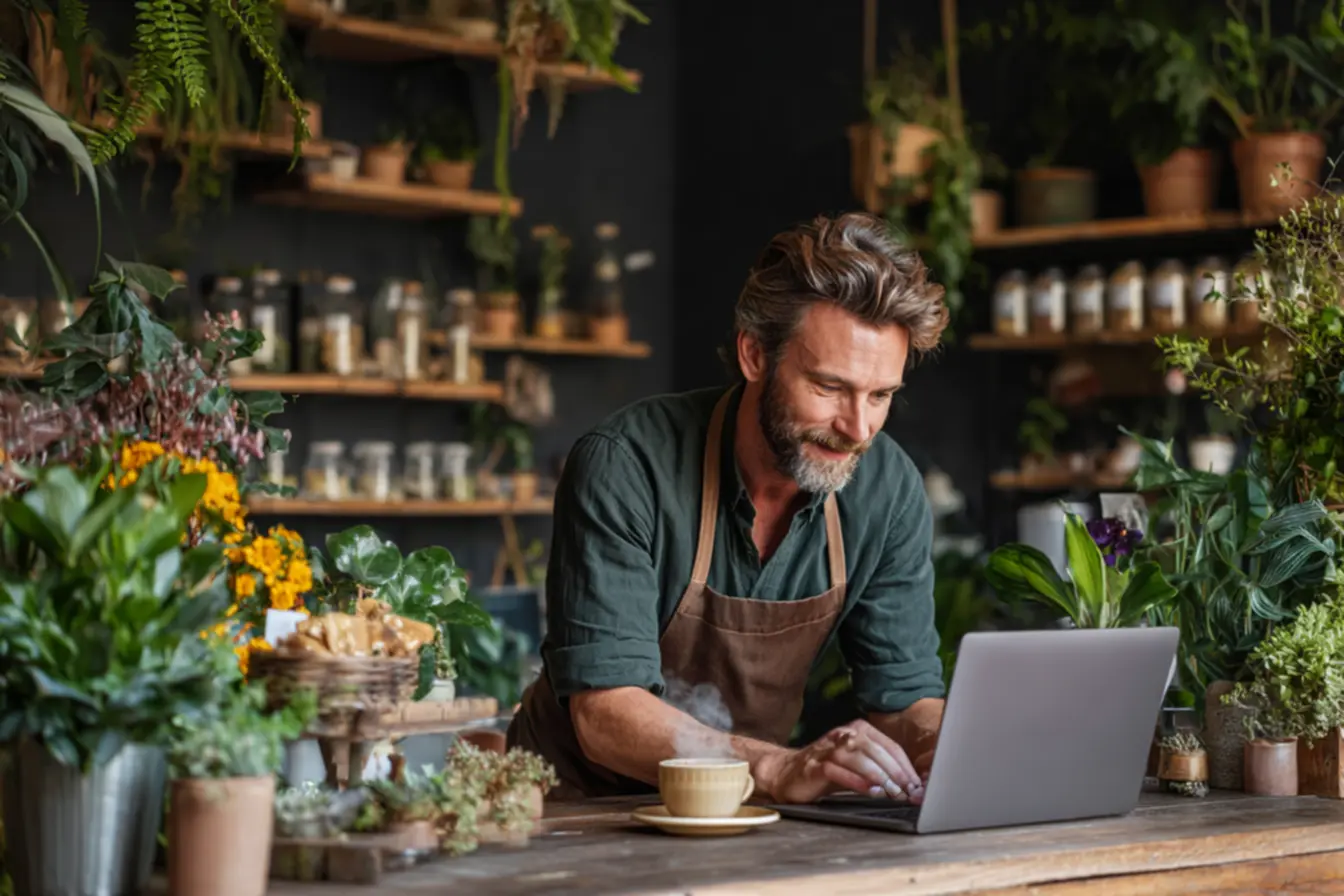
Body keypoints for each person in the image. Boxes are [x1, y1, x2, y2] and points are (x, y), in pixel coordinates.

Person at [507, 211, 949, 805]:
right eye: (828, 387)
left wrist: (942, 743)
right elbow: (605, 716)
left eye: (881, 396)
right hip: (578, 811)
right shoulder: (628, 465)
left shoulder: (887, 487)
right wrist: (777, 769)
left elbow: (903, 697)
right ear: (754, 356)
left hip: (742, 812)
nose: (857, 428)